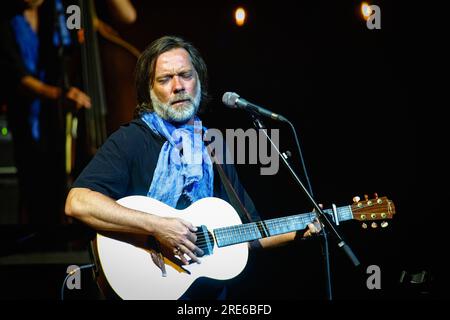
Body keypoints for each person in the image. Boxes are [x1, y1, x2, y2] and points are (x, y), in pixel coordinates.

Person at [64, 35, 320, 299]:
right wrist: (157, 226)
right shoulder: (132, 140)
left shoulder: (213, 147)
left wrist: (299, 230)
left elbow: (249, 232)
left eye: (186, 75)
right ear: (149, 90)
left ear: (199, 82)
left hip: (206, 296)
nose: (178, 86)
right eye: (165, 79)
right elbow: (78, 202)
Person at [0, 0, 137, 225]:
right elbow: (16, 75)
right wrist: (58, 94)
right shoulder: (12, 18)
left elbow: (128, 16)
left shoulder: (65, 9)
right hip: (40, 113)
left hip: (65, 106)